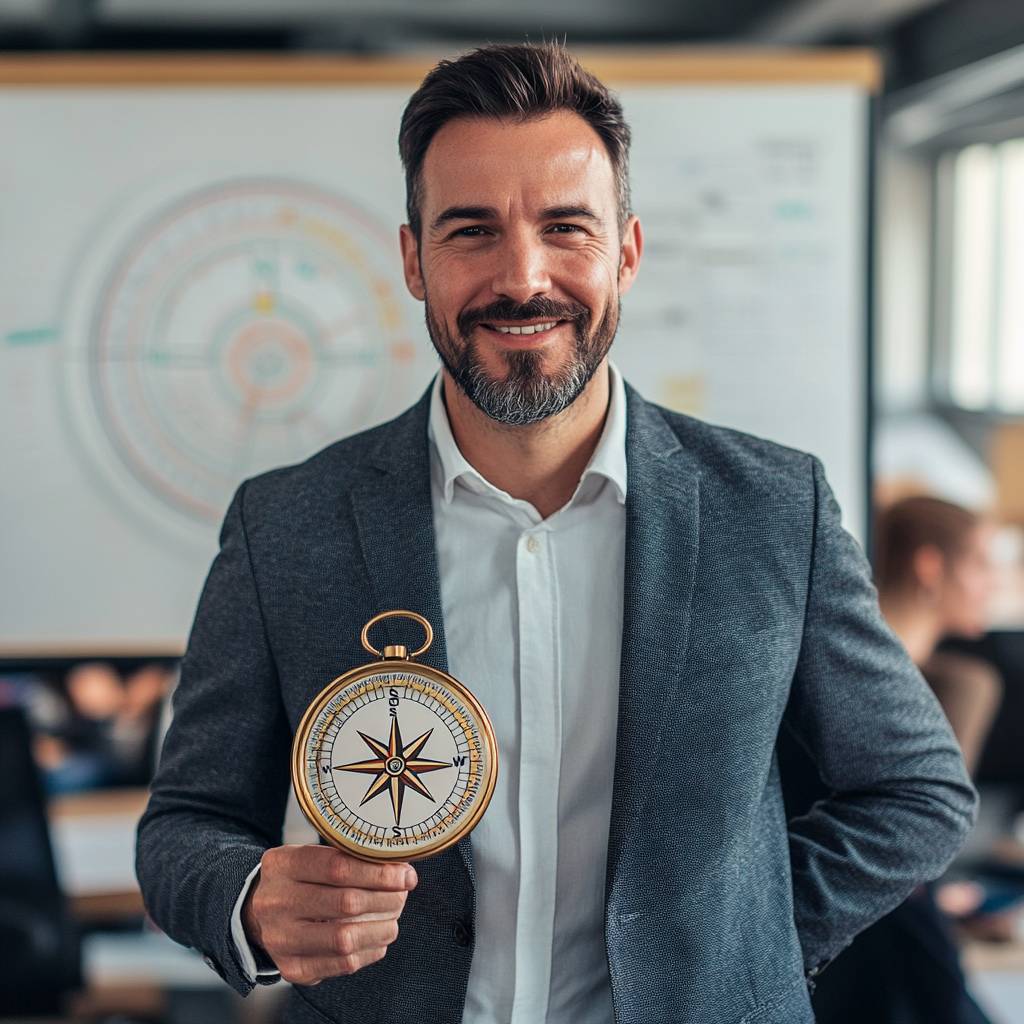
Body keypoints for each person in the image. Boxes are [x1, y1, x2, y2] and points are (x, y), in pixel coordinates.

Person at [136, 43, 979, 1024]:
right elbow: (185, 825)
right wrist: (247, 900)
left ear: (625, 251)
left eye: (564, 228)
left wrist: (734, 938)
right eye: (472, 231)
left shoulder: (771, 508)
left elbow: (915, 790)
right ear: (414, 260)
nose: (521, 277)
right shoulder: (289, 523)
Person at [804, 494, 1004, 1024]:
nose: (996, 584)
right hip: (855, 948)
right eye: (982, 564)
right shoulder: (884, 685)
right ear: (930, 566)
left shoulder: (949, 677)